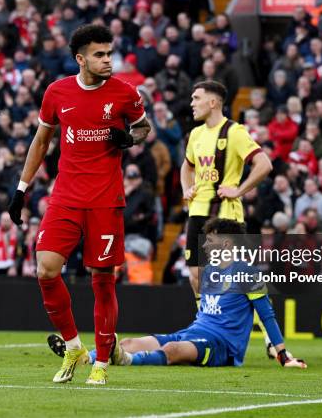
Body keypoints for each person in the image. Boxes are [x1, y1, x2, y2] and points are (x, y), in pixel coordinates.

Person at [7, 24, 151, 385]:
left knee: (102, 280)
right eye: (100, 55)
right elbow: (41, 142)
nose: (107, 60)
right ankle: (73, 347)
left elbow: (144, 128)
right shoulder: (57, 92)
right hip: (66, 197)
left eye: (109, 53)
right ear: (80, 59)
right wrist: (21, 190)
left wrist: (129, 139)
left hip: (105, 200)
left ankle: (101, 362)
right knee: (46, 269)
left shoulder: (125, 93)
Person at [49, 218, 306, 369]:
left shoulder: (248, 274)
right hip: (193, 332)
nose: (204, 244)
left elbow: (267, 316)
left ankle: (126, 361)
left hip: (222, 346)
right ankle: (85, 357)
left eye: (210, 240)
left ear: (227, 244)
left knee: (172, 349)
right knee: (128, 341)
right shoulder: (210, 271)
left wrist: (283, 355)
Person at [180, 80, 272, 301]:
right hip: (198, 211)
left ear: (212, 102)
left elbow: (264, 164)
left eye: (196, 98)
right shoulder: (195, 135)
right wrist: (187, 188)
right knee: (195, 275)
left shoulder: (235, 131)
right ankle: (206, 325)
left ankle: (268, 327)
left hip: (225, 213)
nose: (192, 103)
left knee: (234, 275)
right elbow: (187, 165)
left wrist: (239, 190)